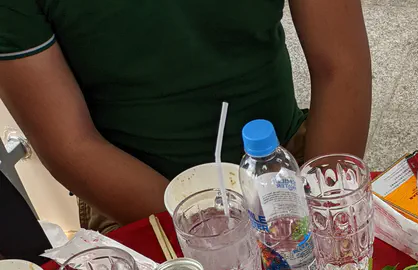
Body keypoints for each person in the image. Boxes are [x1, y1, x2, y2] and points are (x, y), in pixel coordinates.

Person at [0, 0, 371, 229]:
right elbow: (69, 144)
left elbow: (341, 67)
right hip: (137, 206)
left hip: (288, 170)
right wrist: (207, 235)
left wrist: (323, 208)